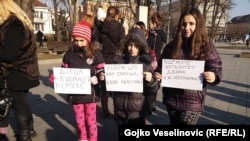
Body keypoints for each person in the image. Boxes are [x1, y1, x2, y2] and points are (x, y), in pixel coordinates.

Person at [154, 7, 222, 125]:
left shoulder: (207, 47)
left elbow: (215, 66)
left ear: (198, 25)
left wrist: (214, 76)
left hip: (192, 102)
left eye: (191, 24)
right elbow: (161, 66)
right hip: (171, 99)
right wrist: (158, 74)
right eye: (184, 24)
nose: (187, 28)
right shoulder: (171, 46)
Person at [49, 21, 105, 141]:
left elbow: (101, 69)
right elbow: (64, 71)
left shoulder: (96, 54)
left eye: (81, 40)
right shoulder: (69, 54)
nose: (78, 43)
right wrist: (56, 77)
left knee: (91, 122)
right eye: (76, 40)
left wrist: (99, 77)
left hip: (90, 95)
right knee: (79, 122)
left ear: (88, 39)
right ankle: (82, 138)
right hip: (75, 96)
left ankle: (93, 139)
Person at [99, 28, 160, 125]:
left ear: (141, 46)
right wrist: (105, 79)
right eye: (130, 45)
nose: (132, 49)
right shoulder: (119, 62)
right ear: (125, 45)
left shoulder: (146, 64)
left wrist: (151, 80)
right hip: (120, 109)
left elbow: (153, 90)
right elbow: (111, 88)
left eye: (136, 46)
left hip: (138, 111)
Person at [0, 0, 40, 140]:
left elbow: (9, 54)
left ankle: (24, 136)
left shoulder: (12, 26)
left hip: (18, 72)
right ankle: (29, 130)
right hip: (24, 70)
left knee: (18, 106)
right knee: (22, 102)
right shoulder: (17, 23)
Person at [99, 6, 125, 118]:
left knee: (104, 87)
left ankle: (105, 111)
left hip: (104, 58)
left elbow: (98, 41)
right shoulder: (120, 27)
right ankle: (116, 113)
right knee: (116, 88)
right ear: (116, 15)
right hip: (115, 59)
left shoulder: (101, 26)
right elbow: (123, 44)